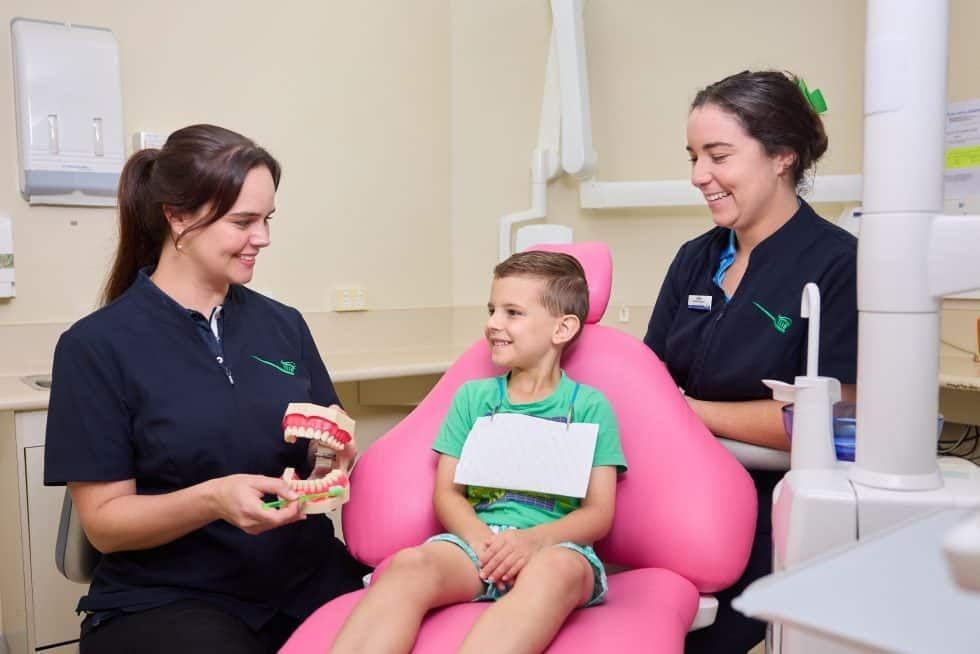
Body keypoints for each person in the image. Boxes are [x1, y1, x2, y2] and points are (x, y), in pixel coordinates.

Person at [43, 124, 369, 654]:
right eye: (243, 221)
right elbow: (105, 525)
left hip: (302, 579)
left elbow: (315, 443)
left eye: (267, 219)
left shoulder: (282, 324)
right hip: (171, 596)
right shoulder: (96, 346)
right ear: (178, 217)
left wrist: (326, 460)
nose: (262, 237)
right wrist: (214, 499)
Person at [643, 70, 858, 652]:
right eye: (693, 156)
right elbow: (646, 379)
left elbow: (835, 418)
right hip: (669, 493)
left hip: (771, 508)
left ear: (782, 155)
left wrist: (686, 411)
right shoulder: (695, 259)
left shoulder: (836, 265)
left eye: (718, 155)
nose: (698, 177)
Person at [329, 251, 627, 654]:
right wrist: (485, 544)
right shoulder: (474, 398)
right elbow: (447, 493)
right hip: (477, 543)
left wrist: (533, 542)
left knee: (555, 571)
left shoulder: (590, 407)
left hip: (555, 547)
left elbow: (598, 512)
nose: (493, 324)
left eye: (512, 313)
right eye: (491, 310)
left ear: (562, 328)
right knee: (407, 566)